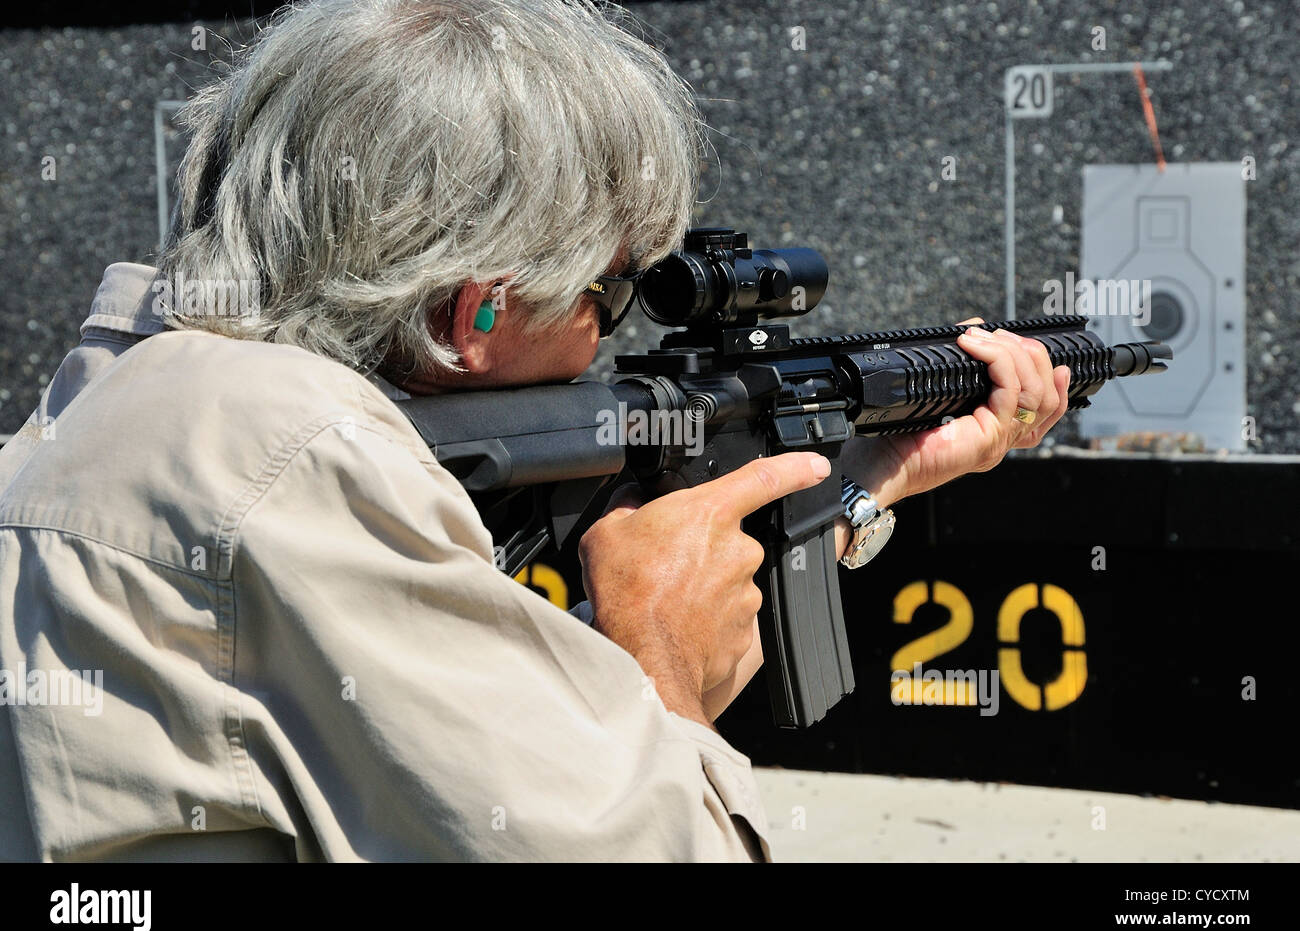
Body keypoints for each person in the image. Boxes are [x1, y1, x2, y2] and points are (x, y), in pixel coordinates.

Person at [0, 0, 1069, 862]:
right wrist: (656, 661)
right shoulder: (299, 458)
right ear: (472, 314)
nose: (610, 340)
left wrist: (857, 489)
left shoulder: (125, 400)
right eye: (609, 295)